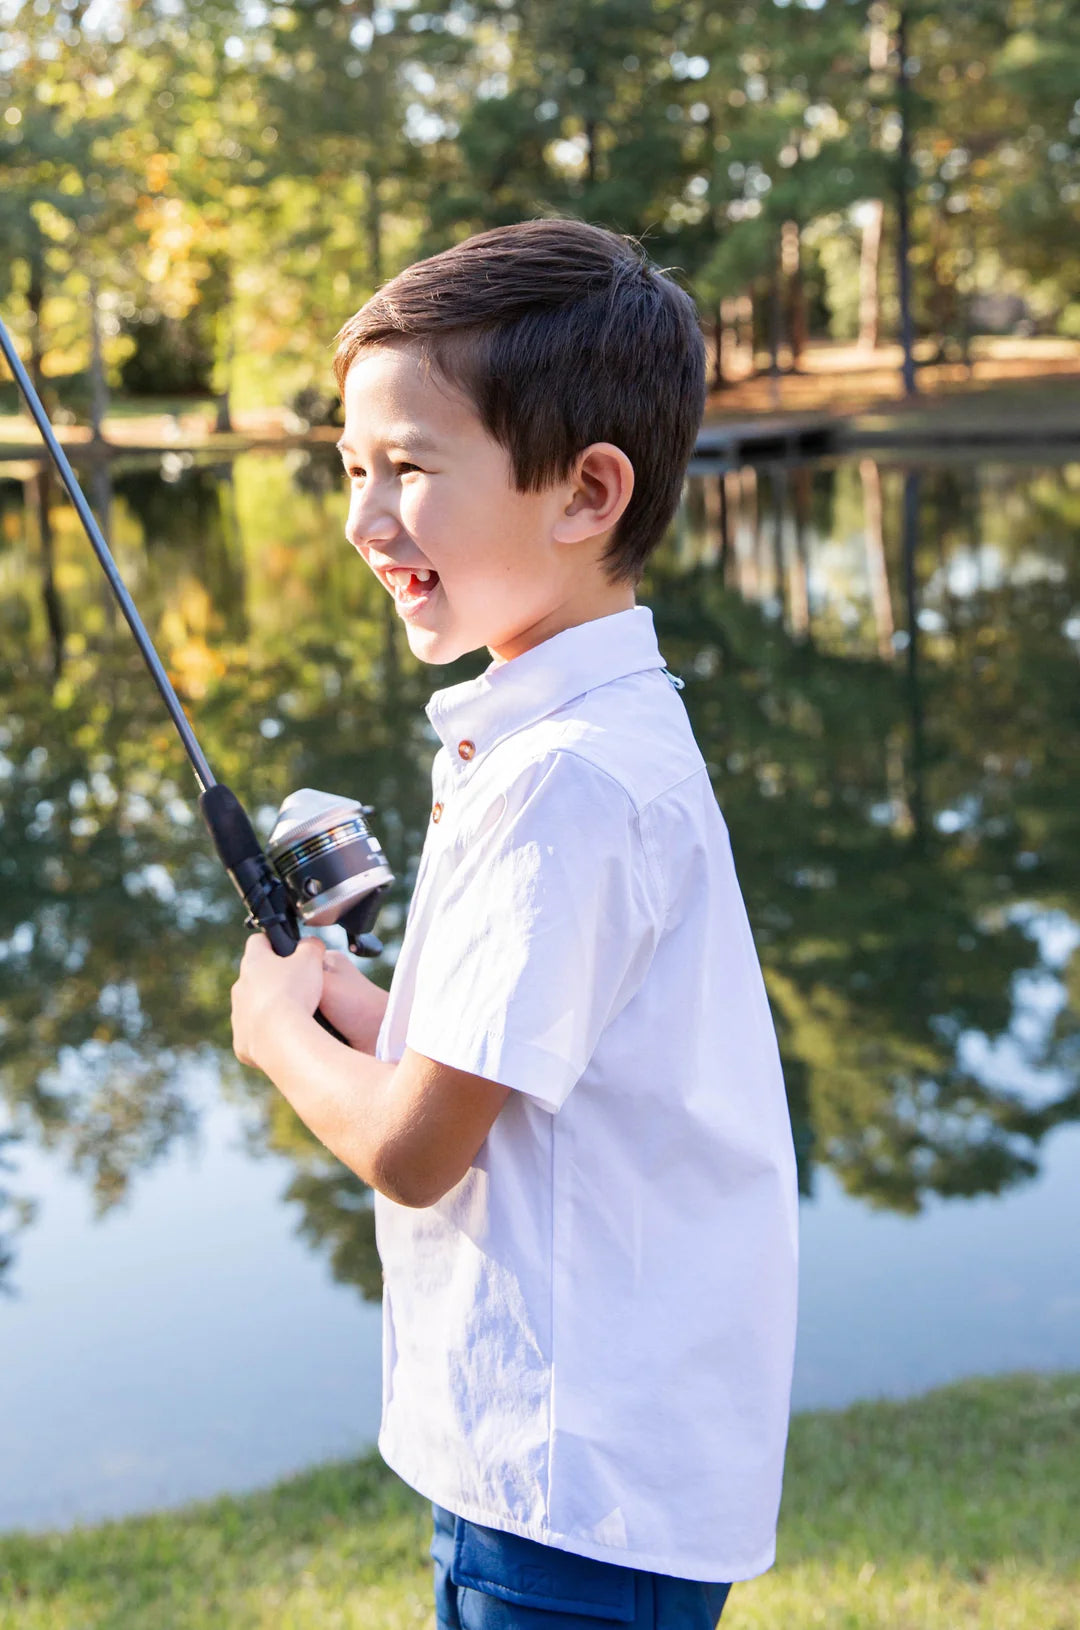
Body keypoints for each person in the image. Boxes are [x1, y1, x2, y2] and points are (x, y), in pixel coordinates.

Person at [230, 217, 799, 1630]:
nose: (364, 521)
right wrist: (362, 1016)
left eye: (410, 470)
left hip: (571, 1498)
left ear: (586, 491)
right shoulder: (583, 730)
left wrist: (274, 1040)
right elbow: (515, 1069)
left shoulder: (566, 783)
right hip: (582, 1480)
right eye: (352, 470)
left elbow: (419, 1148)